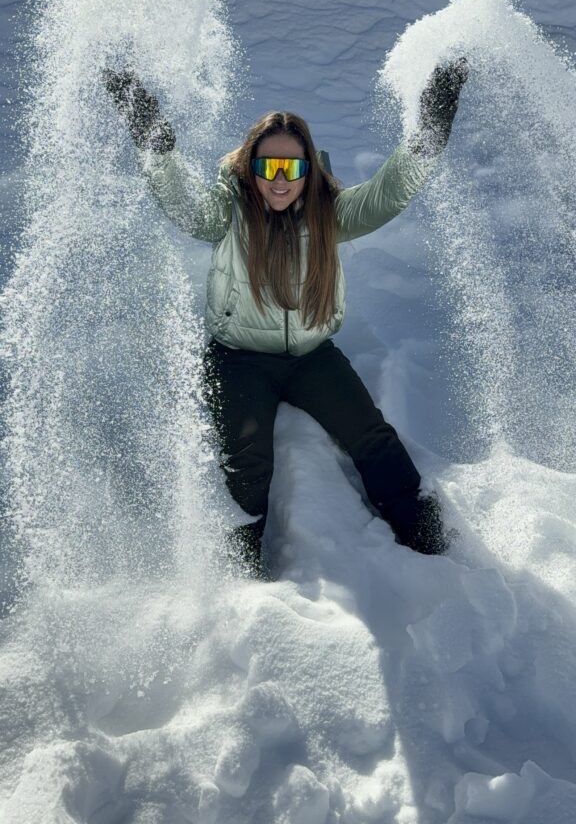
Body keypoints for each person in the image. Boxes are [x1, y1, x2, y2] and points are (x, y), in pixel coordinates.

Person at [104, 57, 468, 577]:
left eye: (292, 169)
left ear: (308, 170)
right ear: (250, 167)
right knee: (248, 463)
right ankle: (241, 568)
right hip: (238, 360)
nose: (279, 181)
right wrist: (156, 146)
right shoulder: (226, 212)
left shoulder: (329, 212)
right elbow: (184, 205)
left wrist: (428, 135)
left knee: (372, 438)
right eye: (268, 167)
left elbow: (388, 195)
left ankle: (424, 535)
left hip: (311, 357)